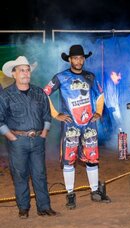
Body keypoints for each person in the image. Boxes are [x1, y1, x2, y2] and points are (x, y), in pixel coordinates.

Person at [43, 45, 110, 210]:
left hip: (89, 124)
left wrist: (99, 112)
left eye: (81, 58)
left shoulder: (90, 77)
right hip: (70, 125)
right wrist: (55, 114)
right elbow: (44, 93)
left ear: (84, 59)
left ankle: (95, 191)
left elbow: (100, 95)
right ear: (70, 60)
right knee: (68, 160)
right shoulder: (60, 77)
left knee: (92, 158)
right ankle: (70, 194)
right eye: (75, 58)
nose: (78, 61)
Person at [0, 56, 57, 218]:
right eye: (21, 70)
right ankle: (23, 208)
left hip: (38, 139)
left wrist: (44, 133)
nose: (26, 73)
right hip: (18, 142)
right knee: (20, 175)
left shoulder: (39, 92)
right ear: (14, 74)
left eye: (27, 70)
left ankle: (44, 207)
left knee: (40, 174)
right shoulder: (6, 95)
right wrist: (11, 136)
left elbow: (47, 115)